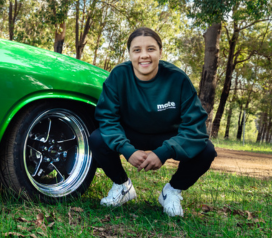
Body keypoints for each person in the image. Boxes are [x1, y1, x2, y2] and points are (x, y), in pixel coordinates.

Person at [89, 27, 217, 217]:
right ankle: (122, 186)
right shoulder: (119, 76)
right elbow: (107, 118)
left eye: (150, 49)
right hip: (130, 133)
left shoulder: (178, 79)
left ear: (160, 52)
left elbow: (195, 128)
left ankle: (172, 191)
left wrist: (165, 151)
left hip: (167, 135)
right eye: (137, 50)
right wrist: (127, 149)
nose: (144, 56)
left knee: (206, 150)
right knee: (97, 138)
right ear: (130, 54)